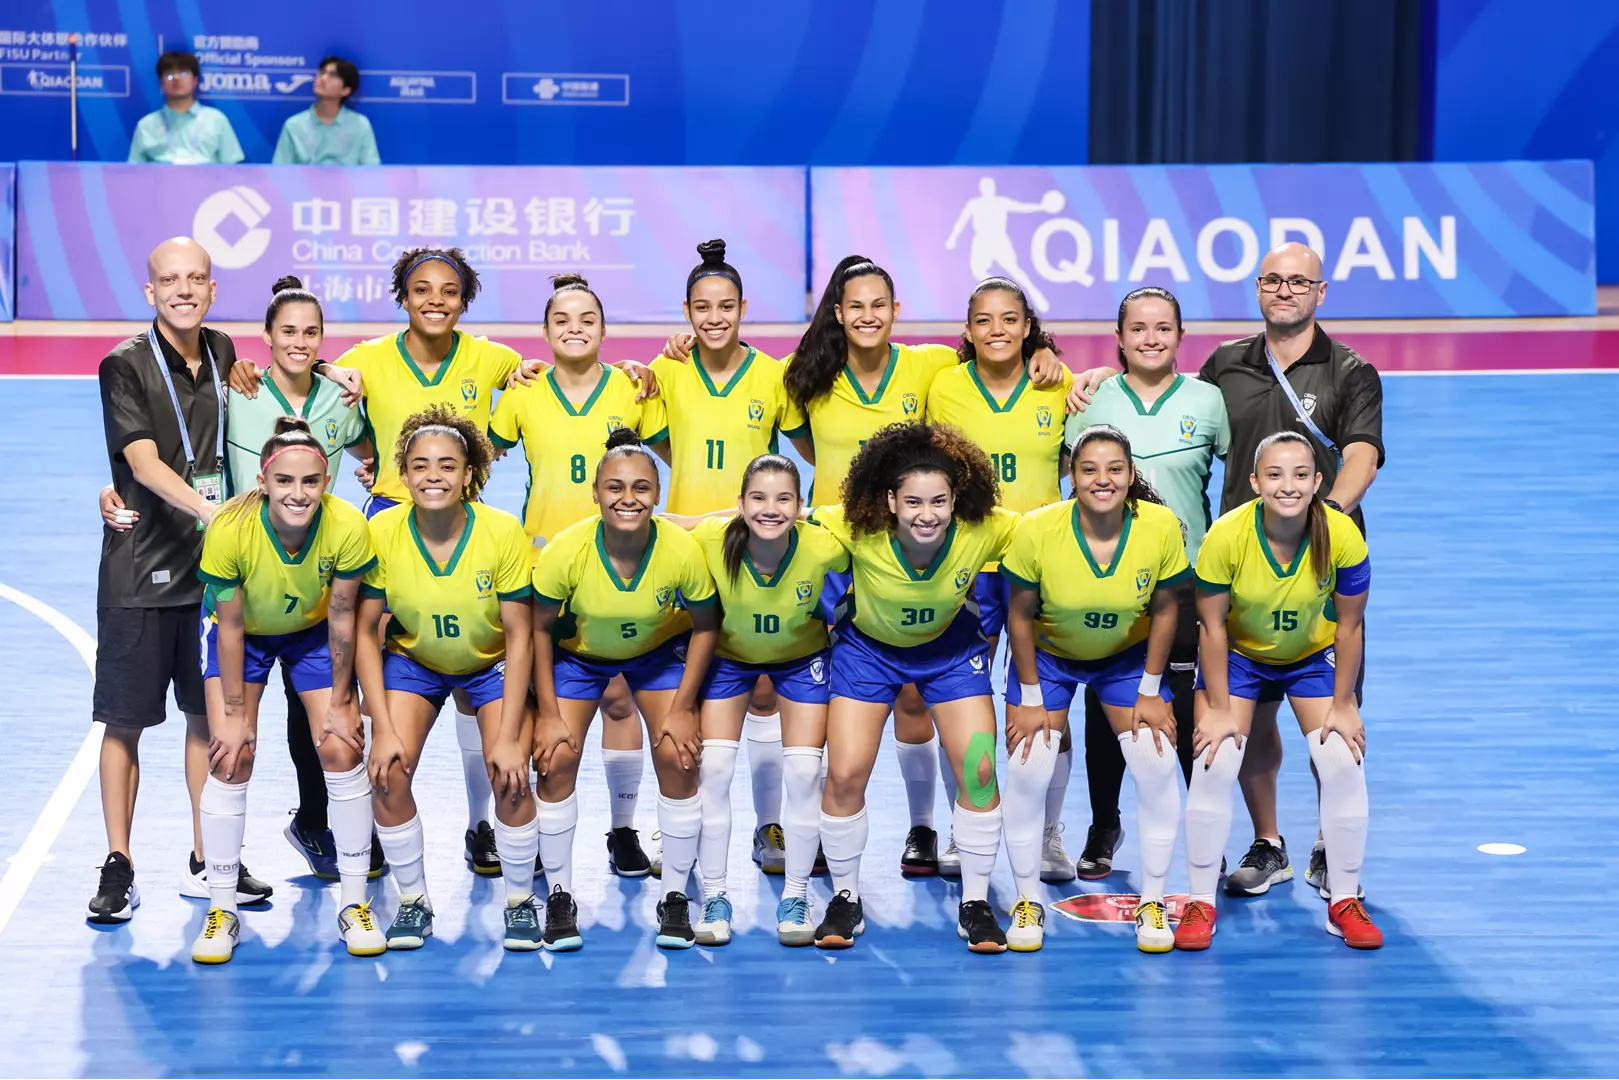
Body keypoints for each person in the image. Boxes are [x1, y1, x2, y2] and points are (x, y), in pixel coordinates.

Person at [1065, 244, 1384, 901]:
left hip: (1313, 564)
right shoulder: (1224, 367)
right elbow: (1155, 392)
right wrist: (1099, 375)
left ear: (1320, 291)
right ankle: (1268, 843)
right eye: (1272, 280)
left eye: (1298, 281)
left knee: (1326, 717)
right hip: (1233, 567)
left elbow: (1360, 456)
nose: (1284, 290)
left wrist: (1317, 519)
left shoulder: (1350, 371)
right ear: (1257, 288)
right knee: (1252, 715)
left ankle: (1330, 844)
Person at [231, 247, 532, 879]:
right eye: (421, 289)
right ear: (402, 296)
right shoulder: (364, 360)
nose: (435, 300)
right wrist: (242, 368)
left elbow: (537, 375)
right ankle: (334, 818)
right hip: (387, 531)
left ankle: (481, 824)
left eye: (449, 290)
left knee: (476, 679)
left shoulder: (492, 359)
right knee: (350, 673)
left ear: (465, 299)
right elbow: (301, 369)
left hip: (464, 531)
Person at [771, 255, 1063, 877]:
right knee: (835, 692)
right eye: (856, 305)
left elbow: (1000, 351)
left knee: (942, 691)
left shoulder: (930, 367)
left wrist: (1047, 354)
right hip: (844, 551)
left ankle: (946, 830)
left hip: (939, 547)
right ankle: (837, 828)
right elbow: (805, 447)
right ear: (837, 313)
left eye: (881, 304)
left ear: (897, 311)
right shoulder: (807, 376)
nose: (869, 315)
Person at [88, 237, 269, 924]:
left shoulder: (225, 353)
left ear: (213, 289)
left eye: (196, 278)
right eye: (170, 279)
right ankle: (119, 863)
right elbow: (139, 456)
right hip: (139, 569)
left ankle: (205, 856)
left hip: (213, 576)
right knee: (125, 722)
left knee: (207, 717)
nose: (184, 289)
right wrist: (205, 507)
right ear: (150, 292)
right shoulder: (124, 365)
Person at [807, 422, 1018, 954]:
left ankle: (974, 903)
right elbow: (777, 515)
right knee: (846, 772)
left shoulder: (983, 530)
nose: (928, 514)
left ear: (956, 500)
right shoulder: (853, 529)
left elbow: (1058, 526)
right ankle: (846, 896)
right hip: (867, 655)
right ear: (890, 502)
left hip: (950, 655)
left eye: (940, 501)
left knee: (981, 768)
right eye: (914, 502)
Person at [643, 240, 815, 878]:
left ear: (744, 307)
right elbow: (660, 448)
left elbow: (804, 446)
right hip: (687, 547)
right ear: (686, 311)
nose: (713, 318)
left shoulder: (774, 376)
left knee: (764, 684)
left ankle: (769, 824)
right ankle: (673, 818)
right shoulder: (667, 375)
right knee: (676, 684)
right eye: (701, 307)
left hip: (759, 548)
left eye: (725, 306)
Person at [490, 272, 667, 879]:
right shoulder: (523, 392)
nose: (574, 329)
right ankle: (539, 832)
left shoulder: (632, 389)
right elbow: (478, 456)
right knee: (546, 706)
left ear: (603, 329)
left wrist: (660, 368)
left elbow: (670, 451)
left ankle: (622, 832)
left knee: (619, 698)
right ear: (544, 332)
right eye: (561, 320)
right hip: (542, 568)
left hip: (618, 564)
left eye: (586, 319)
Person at [1176, 431, 1379, 951]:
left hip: (1311, 659)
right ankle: (1200, 899)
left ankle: (1345, 899)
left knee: (1341, 759)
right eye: (1274, 475)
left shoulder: (1343, 535)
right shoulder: (1225, 536)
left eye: (1298, 475)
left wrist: (1343, 703)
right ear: (1254, 482)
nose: (1287, 486)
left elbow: (1350, 627)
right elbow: (1212, 629)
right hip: (1241, 656)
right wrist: (1220, 708)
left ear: (1317, 482)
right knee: (1216, 758)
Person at [190, 419, 381, 962]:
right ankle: (222, 909)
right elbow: (227, 626)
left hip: (312, 635)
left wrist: (343, 702)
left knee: (342, 746)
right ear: (263, 481)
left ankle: (353, 903)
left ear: (326, 482)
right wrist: (233, 714)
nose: (299, 494)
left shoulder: (345, 526)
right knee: (231, 757)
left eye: (312, 481)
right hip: (243, 635)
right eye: (286, 482)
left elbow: (343, 614)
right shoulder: (230, 527)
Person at [1061, 288, 1229, 881]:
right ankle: (1104, 822)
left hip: (1184, 578)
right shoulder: (1091, 398)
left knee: (1184, 703)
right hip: (1104, 580)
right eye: (1138, 328)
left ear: (1181, 336)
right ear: (1120, 336)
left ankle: (1197, 826)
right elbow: (1065, 474)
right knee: (1105, 702)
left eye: (1163, 328)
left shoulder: (1210, 402)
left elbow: (1239, 486)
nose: (1151, 338)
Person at [529, 429, 719, 951]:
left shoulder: (680, 549)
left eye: (640, 487)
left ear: (658, 494)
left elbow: (706, 625)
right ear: (595, 492)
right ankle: (561, 894)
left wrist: (682, 708)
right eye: (614, 487)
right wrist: (547, 711)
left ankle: (676, 897)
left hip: (656, 658)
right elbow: (539, 630)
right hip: (578, 658)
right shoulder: (567, 550)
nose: (627, 498)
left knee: (681, 757)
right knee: (555, 757)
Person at [1000, 424, 1189, 953]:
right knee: (1028, 765)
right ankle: (1026, 900)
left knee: (1154, 764)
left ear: (1131, 476)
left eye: (1114, 469)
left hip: (1126, 661)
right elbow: (1018, 614)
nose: (1101, 479)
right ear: (1072, 476)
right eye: (1088, 469)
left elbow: (1167, 607)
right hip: (1050, 659)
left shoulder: (1159, 526)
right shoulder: (1038, 529)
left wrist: (1152, 689)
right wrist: (1033, 698)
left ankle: (1152, 902)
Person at [357, 406, 538, 951]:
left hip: (493, 663)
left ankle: (520, 902)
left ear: (468, 474)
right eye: (419, 466)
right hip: (415, 661)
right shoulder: (382, 530)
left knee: (510, 774)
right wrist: (382, 724)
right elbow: (366, 631)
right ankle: (414, 902)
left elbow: (522, 634)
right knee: (387, 772)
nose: (433, 475)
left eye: (446, 465)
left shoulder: (502, 532)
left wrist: (508, 737)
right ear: (403, 474)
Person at [661, 455, 848, 946]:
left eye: (784, 498)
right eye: (758, 498)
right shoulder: (710, 537)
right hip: (728, 661)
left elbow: (871, 532)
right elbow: (661, 525)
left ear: (801, 506)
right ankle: (716, 895)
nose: (771, 509)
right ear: (740, 504)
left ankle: (798, 893)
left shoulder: (824, 544)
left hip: (802, 661)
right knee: (715, 772)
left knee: (806, 772)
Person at [925, 275, 1073, 885]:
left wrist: (1062, 366)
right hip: (972, 568)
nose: (997, 331)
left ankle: (1045, 832)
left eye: (1009, 319)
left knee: (1049, 707)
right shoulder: (945, 389)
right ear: (967, 331)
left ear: (1028, 327)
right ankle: (969, 822)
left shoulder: (1057, 383)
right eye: (983, 320)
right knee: (966, 698)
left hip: (1045, 567)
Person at [128, 51, 244, 165]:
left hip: (207, 183)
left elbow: (232, 169)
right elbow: (135, 173)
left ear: (194, 81)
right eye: (169, 75)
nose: (176, 78)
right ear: (161, 84)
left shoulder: (216, 120)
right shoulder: (146, 125)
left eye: (183, 73)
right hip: (162, 183)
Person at [273, 56, 381, 166]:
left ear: (346, 90)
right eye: (322, 72)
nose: (323, 78)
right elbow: (280, 172)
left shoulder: (360, 124)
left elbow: (371, 171)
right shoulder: (294, 125)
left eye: (333, 75)